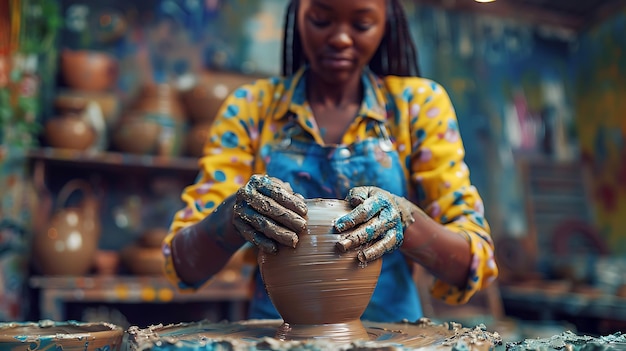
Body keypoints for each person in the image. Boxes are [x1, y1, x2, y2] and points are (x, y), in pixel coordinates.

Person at [162, 0, 498, 323]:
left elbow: (474, 261)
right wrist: (232, 216)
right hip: (276, 334)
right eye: (322, 20)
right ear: (298, 13)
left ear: (387, 20)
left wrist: (405, 222)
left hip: (393, 334)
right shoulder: (252, 109)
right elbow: (183, 266)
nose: (339, 38)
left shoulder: (416, 106)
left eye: (362, 23)